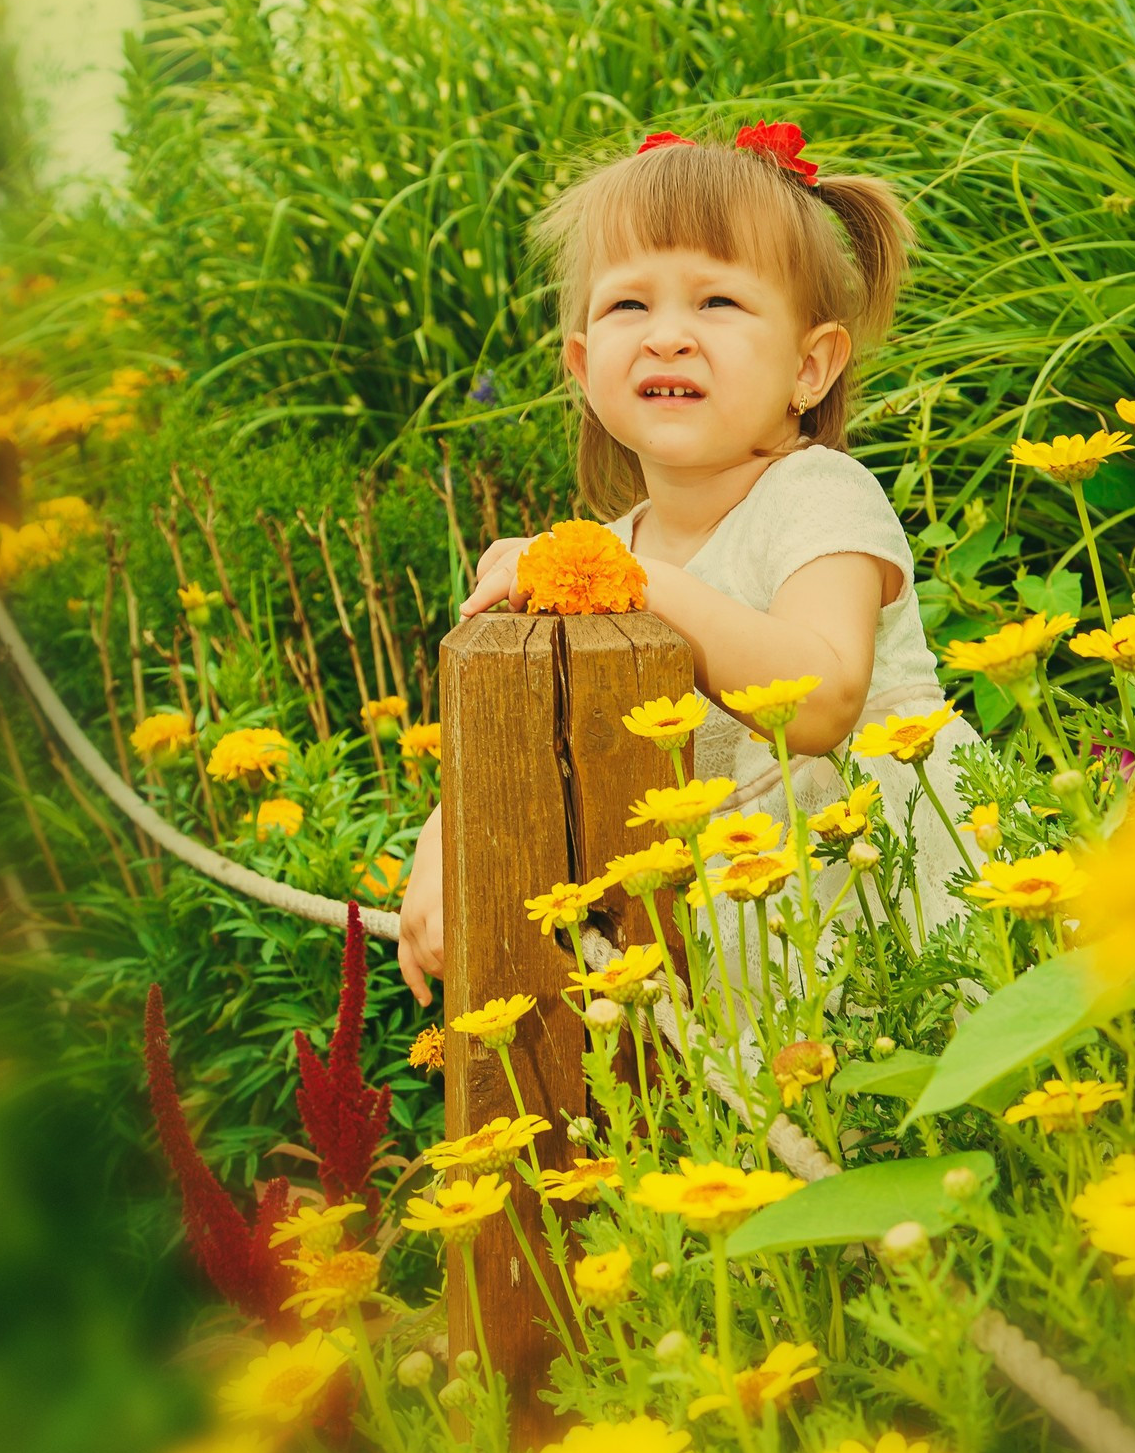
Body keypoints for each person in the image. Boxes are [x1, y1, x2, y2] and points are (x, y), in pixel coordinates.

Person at [396, 122, 981, 1007]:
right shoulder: (613, 551)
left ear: (810, 365)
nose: (667, 336)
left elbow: (820, 699)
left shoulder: (818, 497)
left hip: (879, 914)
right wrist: (441, 849)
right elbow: (535, 741)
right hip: (729, 954)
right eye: (629, 306)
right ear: (584, 366)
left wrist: (632, 581)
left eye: (718, 302)